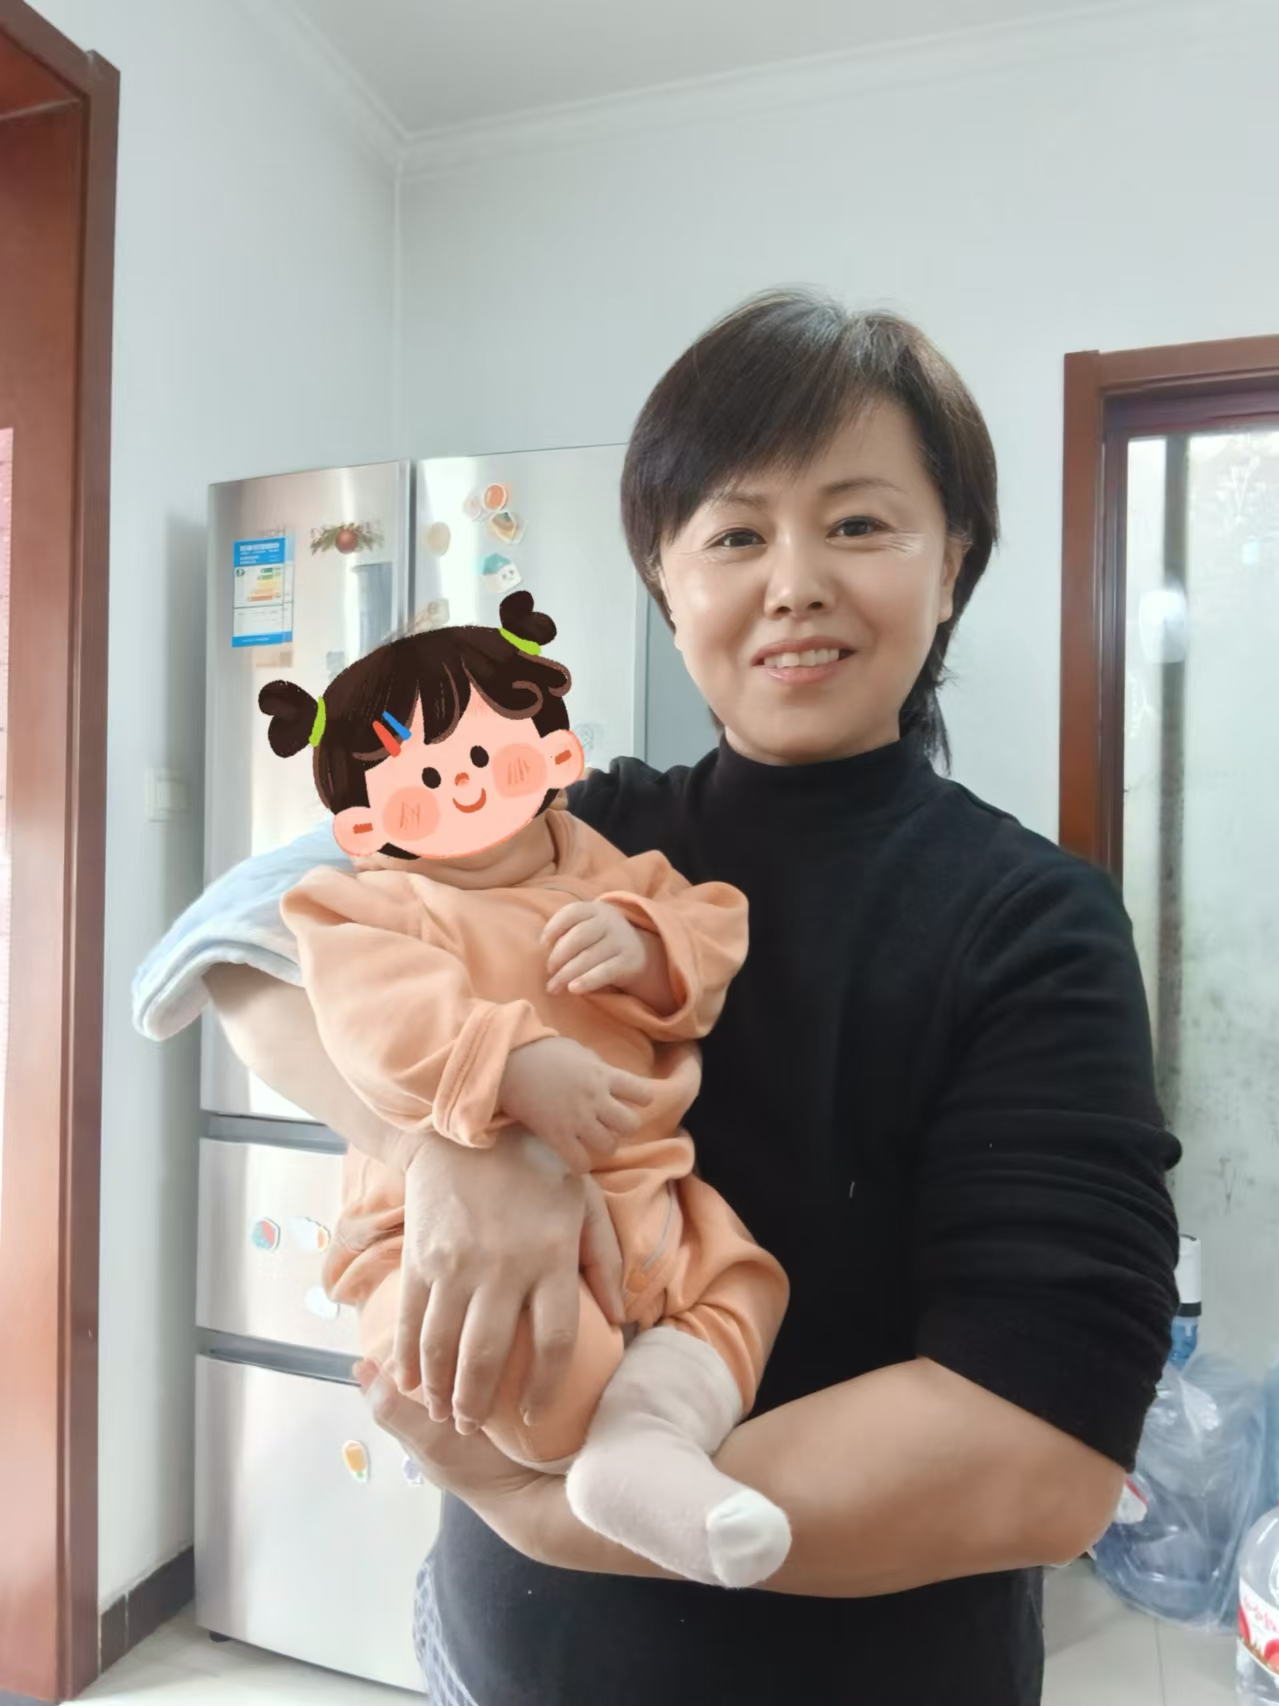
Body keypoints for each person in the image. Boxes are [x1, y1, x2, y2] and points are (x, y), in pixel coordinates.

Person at [205, 291, 1181, 1704]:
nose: (793, 582)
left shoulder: (1031, 921)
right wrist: (453, 1146)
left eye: (858, 523)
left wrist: (559, 1518)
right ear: (665, 586)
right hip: (493, 1654)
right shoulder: (559, 826)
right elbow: (232, 945)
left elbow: (1041, 1454)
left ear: (951, 561)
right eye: (733, 534)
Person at [260, 594, 791, 1588]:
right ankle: (579, 1436)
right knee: (511, 1351)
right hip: (434, 1225)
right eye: (425, 778)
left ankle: (644, 1443)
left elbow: (713, 925)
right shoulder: (368, 899)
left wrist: (646, 944)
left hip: (649, 1190)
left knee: (738, 1288)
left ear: (553, 755)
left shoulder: (609, 865)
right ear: (366, 824)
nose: (463, 783)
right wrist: (503, 1062)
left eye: (482, 754)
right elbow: (372, 1012)